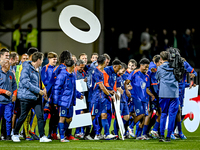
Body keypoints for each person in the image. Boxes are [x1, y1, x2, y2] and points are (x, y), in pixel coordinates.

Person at [12, 52, 52, 142]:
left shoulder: (38, 69)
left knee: (40, 116)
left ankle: (42, 136)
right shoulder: (26, 68)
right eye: (41, 59)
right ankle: (15, 134)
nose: (42, 61)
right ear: (38, 60)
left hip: (36, 97)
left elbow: (38, 82)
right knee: (23, 116)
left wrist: (43, 89)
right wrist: (38, 91)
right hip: (26, 96)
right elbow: (25, 82)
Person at [54, 59, 83, 142]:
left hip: (70, 101)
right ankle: (62, 137)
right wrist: (56, 102)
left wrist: (78, 95)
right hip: (63, 101)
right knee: (62, 118)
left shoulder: (73, 75)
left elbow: (73, 88)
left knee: (69, 119)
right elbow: (57, 88)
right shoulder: (62, 75)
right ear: (73, 66)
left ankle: (64, 133)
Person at [90, 55, 117, 140]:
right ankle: (95, 134)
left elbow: (105, 86)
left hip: (102, 97)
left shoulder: (102, 72)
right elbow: (101, 86)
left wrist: (110, 91)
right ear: (105, 62)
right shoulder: (96, 71)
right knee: (94, 116)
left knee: (104, 115)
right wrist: (110, 95)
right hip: (95, 97)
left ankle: (106, 134)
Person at [156, 51, 179, 142]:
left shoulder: (159, 68)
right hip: (174, 93)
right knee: (172, 115)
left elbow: (157, 79)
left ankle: (161, 135)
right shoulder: (175, 66)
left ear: (161, 59)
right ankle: (169, 136)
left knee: (164, 114)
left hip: (163, 93)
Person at [124, 58, 150, 140]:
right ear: (141, 65)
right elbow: (126, 82)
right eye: (145, 67)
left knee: (144, 117)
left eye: (147, 67)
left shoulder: (147, 75)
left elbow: (146, 87)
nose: (146, 68)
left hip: (144, 98)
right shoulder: (134, 72)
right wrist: (127, 90)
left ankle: (138, 135)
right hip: (136, 97)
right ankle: (130, 127)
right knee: (140, 114)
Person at [41, 52, 58, 140]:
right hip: (47, 94)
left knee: (54, 115)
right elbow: (43, 81)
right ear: (49, 59)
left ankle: (51, 133)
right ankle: (42, 133)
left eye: (55, 59)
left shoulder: (57, 69)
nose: (55, 60)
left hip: (55, 95)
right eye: (53, 59)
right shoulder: (45, 68)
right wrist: (45, 92)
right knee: (44, 115)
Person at [0, 60, 17, 140]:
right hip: (0, 101)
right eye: (7, 63)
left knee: (8, 118)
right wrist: (4, 91)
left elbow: (14, 85)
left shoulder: (11, 74)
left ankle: (8, 135)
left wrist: (15, 94)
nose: (9, 64)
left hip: (8, 102)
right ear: (3, 65)